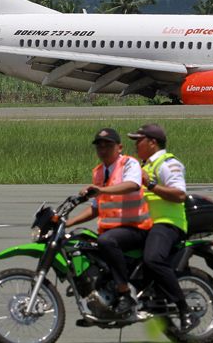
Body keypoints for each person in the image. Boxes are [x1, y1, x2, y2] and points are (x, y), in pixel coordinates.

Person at [66, 128, 152, 314]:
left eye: (108, 145)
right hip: (111, 231)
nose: (103, 149)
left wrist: (100, 190)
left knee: (106, 241)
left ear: (119, 147)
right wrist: (67, 222)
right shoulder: (98, 172)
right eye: (99, 146)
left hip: (136, 228)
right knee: (80, 241)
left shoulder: (129, 164)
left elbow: (132, 185)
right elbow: (96, 208)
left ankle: (124, 294)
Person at [127, 123, 198, 332]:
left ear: (152, 142)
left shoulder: (168, 164)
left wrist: (150, 184)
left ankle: (185, 310)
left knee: (153, 259)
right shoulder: (145, 167)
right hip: (144, 225)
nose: (135, 146)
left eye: (138, 141)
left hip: (167, 223)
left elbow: (179, 195)